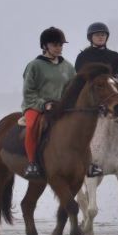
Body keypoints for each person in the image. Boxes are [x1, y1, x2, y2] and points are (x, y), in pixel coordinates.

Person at [75, 22, 118, 176]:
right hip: (92, 96)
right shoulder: (83, 56)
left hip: (110, 94)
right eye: (97, 35)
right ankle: (80, 154)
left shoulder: (114, 56)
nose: (101, 37)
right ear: (91, 38)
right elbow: (79, 79)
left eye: (103, 35)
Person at [22, 27, 76, 179]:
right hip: (35, 106)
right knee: (32, 126)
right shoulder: (34, 65)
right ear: (45, 46)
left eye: (61, 45)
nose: (59, 48)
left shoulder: (68, 67)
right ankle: (32, 163)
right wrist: (43, 104)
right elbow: (28, 92)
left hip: (60, 107)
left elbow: (72, 89)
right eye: (55, 45)